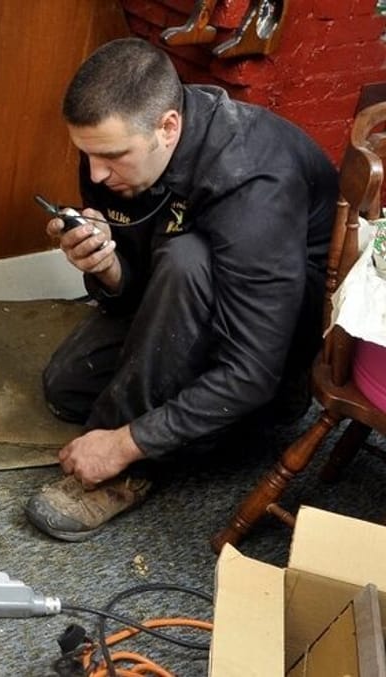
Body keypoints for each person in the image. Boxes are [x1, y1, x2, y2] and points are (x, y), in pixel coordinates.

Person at [23, 37, 339, 541]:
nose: (97, 174)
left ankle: (136, 468)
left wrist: (124, 443)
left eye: (111, 157)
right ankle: (161, 418)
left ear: (168, 127)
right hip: (178, 303)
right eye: (87, 155)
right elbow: (137, 285)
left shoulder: (253, 183)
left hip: (267, 356)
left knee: (186, 257)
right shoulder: (124, 146)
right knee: (66, 387)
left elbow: (254, 370)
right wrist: (106, 267)